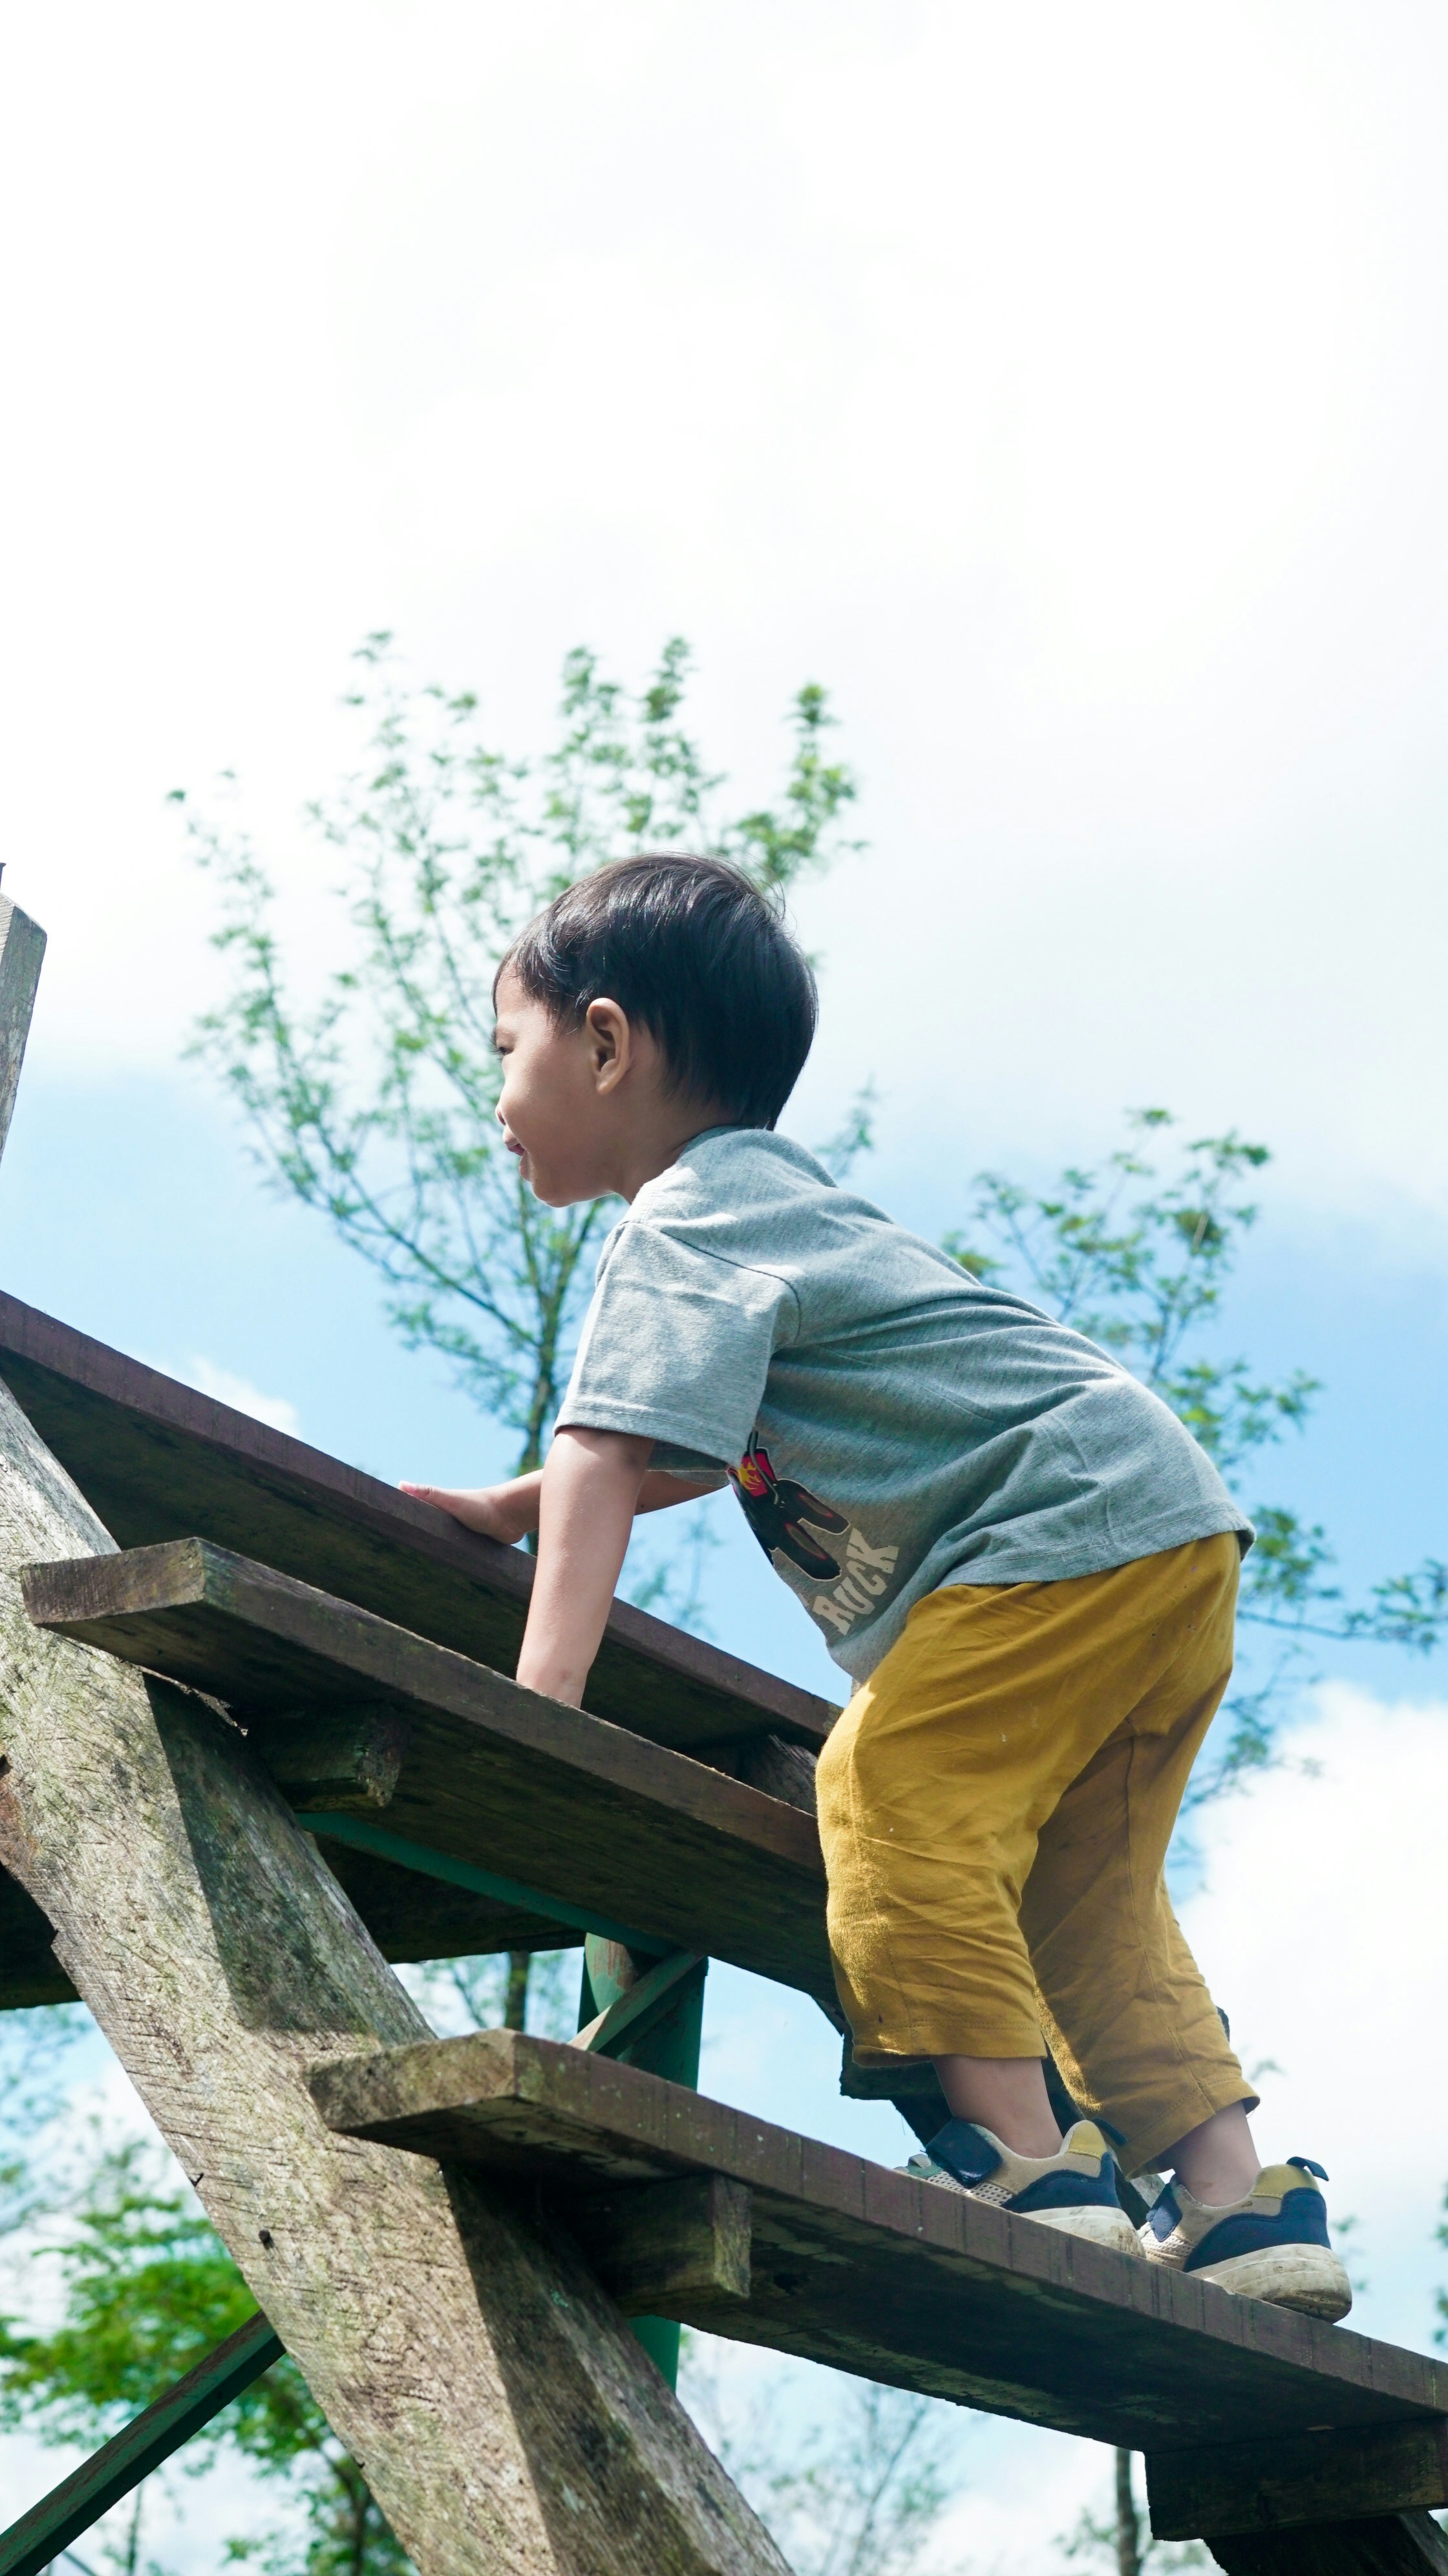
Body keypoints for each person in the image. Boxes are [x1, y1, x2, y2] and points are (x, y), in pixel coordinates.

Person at [401, 853, 1350, 2323]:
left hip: (1055, 1534)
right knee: (1079, 1897)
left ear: (602, 1041)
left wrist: (544, 1699)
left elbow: (605, 1449)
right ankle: (1238, 2204)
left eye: (502, 1051)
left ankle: (1029, 2168)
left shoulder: (679, 1218)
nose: (493, 1094)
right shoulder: (780, 1205)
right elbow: (686, 1451)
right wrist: (509, 1508)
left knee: (893, 1792)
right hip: (1159, 1532)